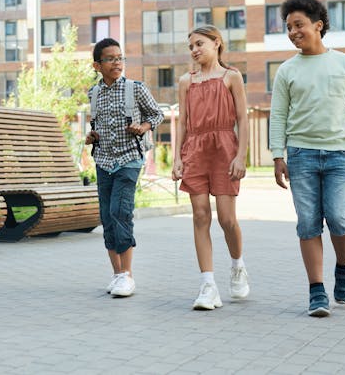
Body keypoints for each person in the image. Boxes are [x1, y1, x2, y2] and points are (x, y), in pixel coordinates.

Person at [270, 0, 345, 317]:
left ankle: (344, 265)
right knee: (308, 224)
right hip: (301, 155)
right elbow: (279, 116)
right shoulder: (286, 70)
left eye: (298, 25)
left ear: (318, 25)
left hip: (339, 154)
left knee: (340, 218)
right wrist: (277, 155)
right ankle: (316, 291)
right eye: (288, 27)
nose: (292, 31)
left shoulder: (344, 64)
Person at [172, 25, 250, 310]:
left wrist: (241, 156)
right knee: (200, 215)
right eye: (190, 46)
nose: (194, 50)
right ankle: (208, 285)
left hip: (224, 147)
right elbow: (182, 122)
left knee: (227, 219)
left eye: (199, 44)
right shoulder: (185, 81)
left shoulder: (232, 77)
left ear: (217, 43)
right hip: (195, 149)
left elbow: (242, 118)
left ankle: (237, 266)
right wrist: (178, 157)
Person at [86, 38, 164, 298]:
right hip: (103, 160)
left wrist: (143, 127)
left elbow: (156, 114)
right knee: (107, 216)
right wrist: (92, 135)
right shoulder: (93, 93)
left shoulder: (135, 89)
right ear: (97, 65)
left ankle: (127, 276)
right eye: (110, 59)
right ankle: (117, 274)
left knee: (120, 211)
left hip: (129, 159)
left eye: (120, 58)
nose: (117, 62)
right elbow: (99, 124)